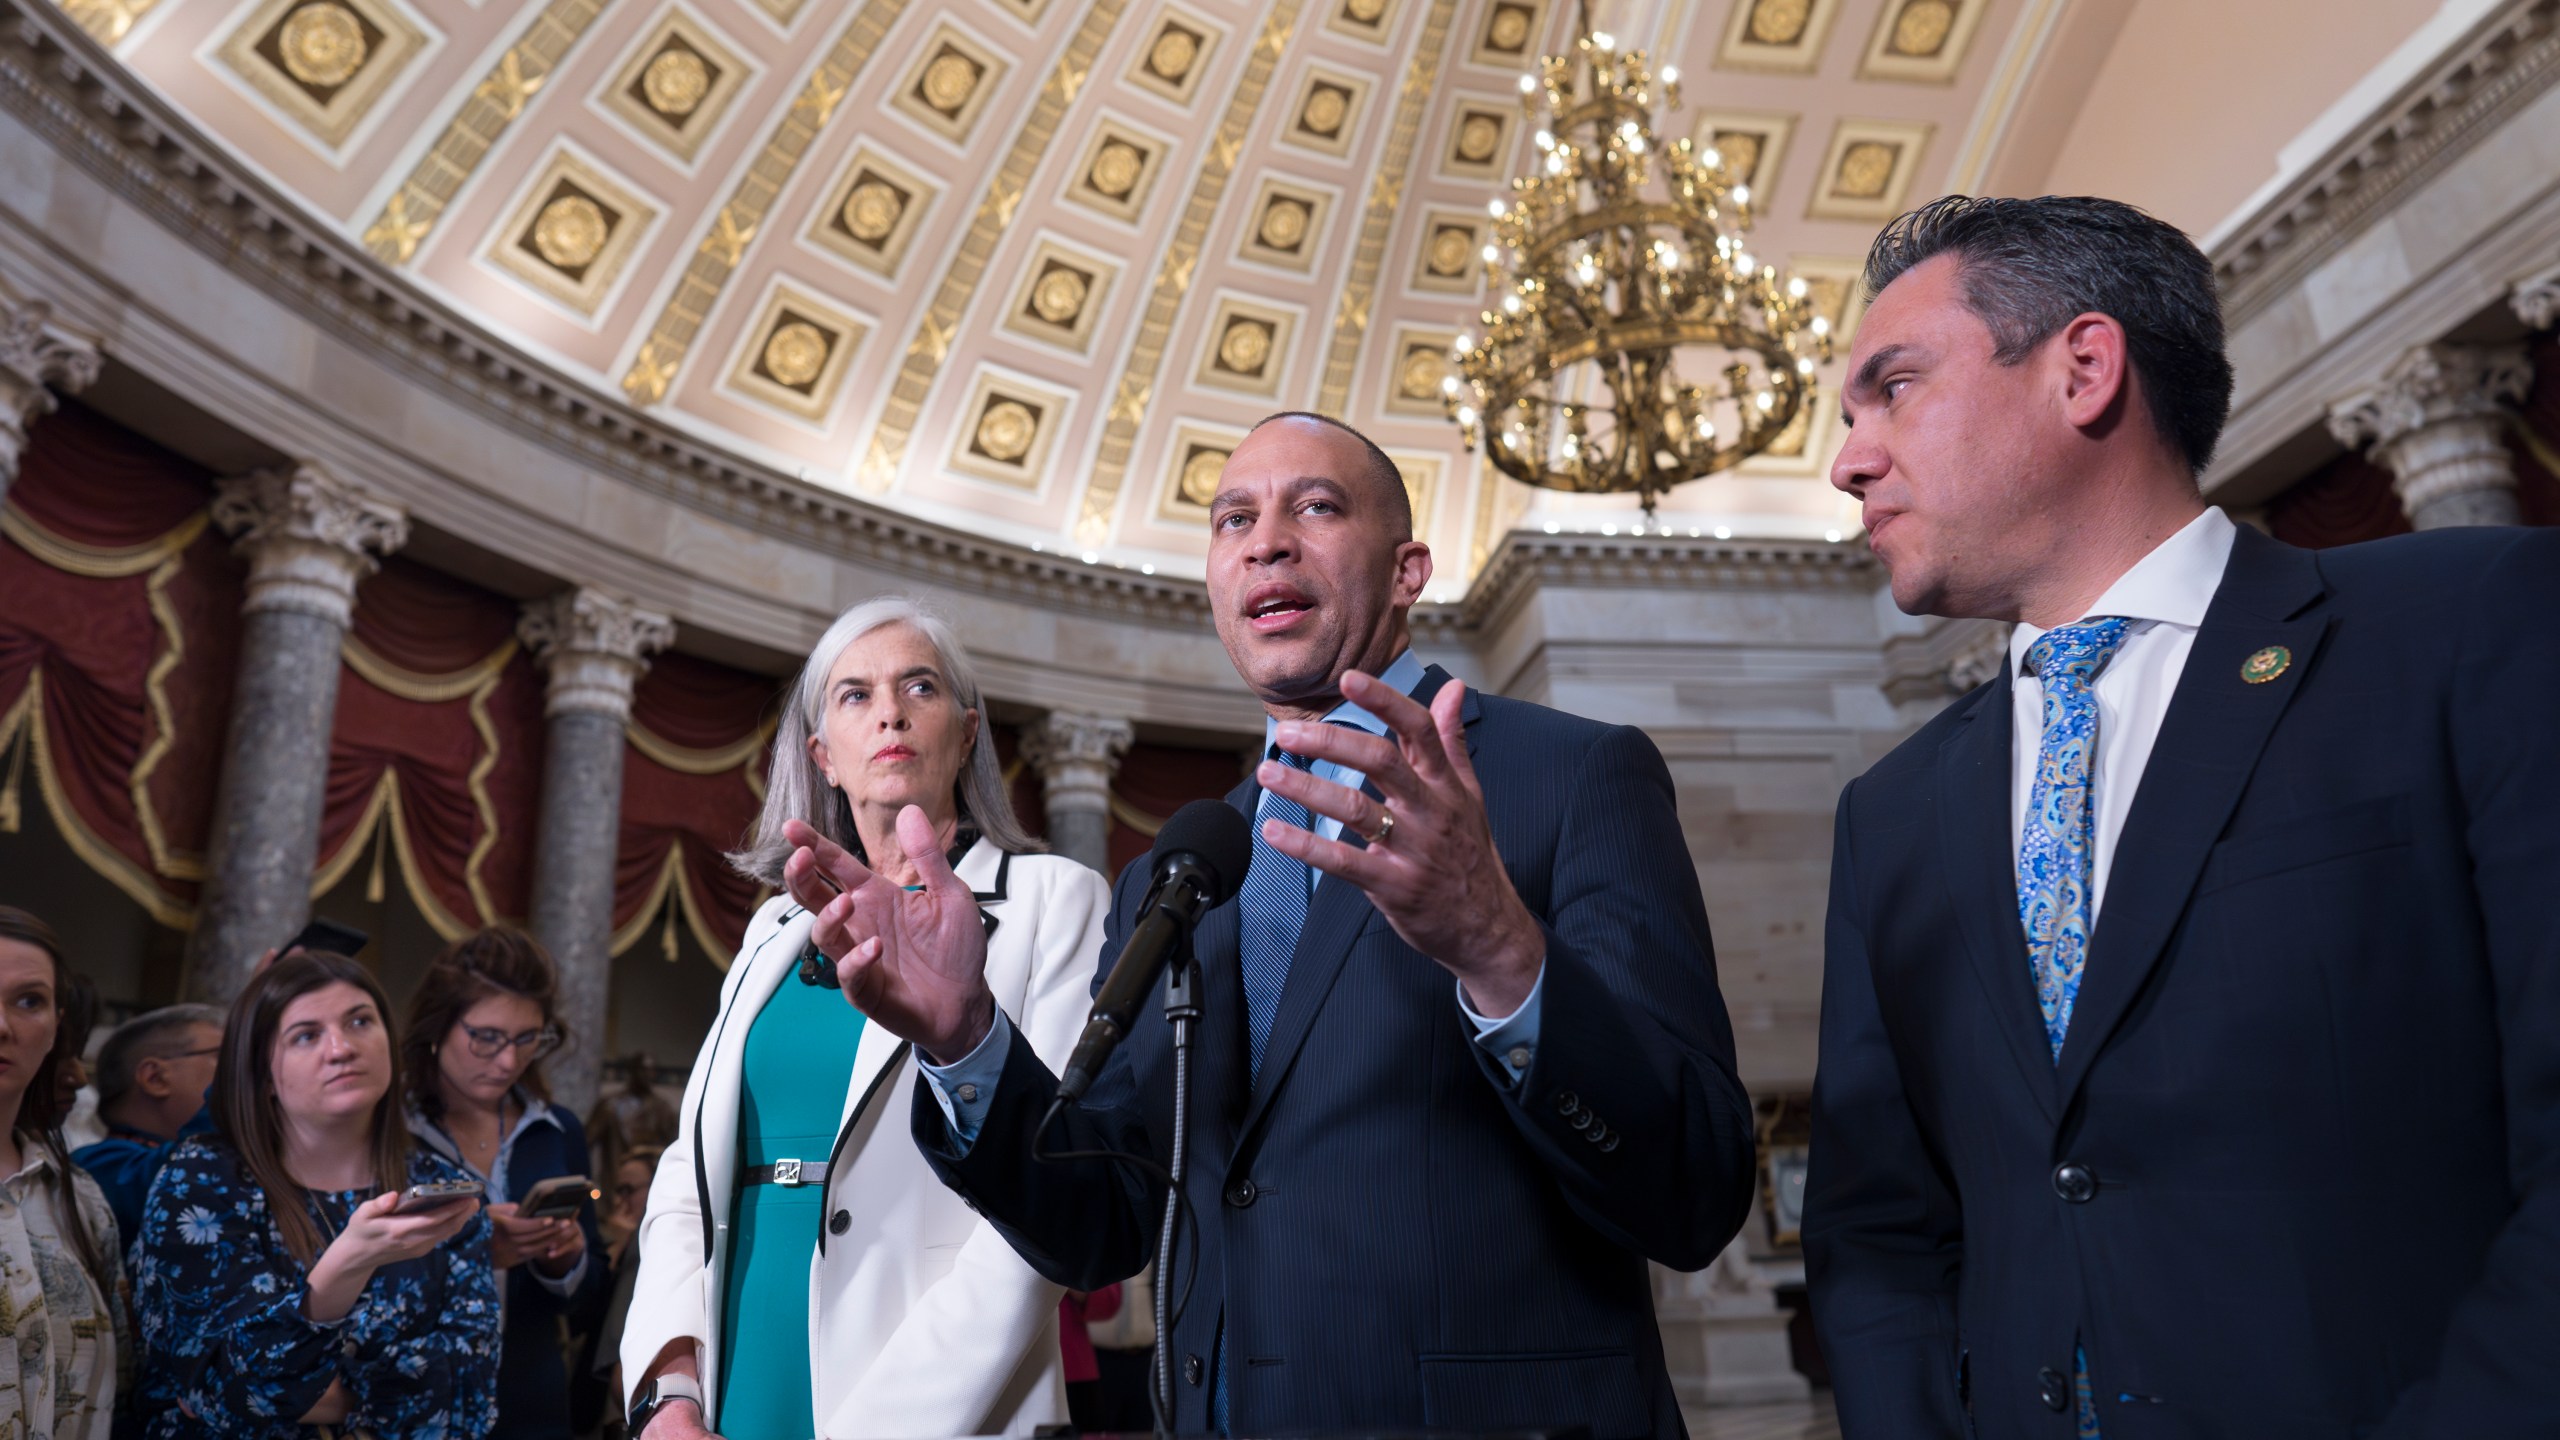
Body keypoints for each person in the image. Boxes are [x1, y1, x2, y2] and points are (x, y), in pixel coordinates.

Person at [784, 413, 1755, 1437]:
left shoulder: (1570, 776)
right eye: (1232, 518)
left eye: (1317, 507)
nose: (1266, 541)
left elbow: (1694, 1186)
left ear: (1406, 570)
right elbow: (1102, 1223)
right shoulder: (1178, 865)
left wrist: (1497, 949)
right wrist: (965, 1040)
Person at [1804, 194, 2560, 1438]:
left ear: (2083, 369)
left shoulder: (2468, 623)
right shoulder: (1891, 815)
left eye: (1892, 388)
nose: (1848, 459)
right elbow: (1877, 1232)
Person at [620, 597, 1105, 1440]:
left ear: (965, 734)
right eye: (854, 695)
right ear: (825, 758)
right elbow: (688, 1167)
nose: (889, 711)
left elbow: (1040, 1215)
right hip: (735, 1364)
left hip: (933, 1395)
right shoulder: (775, 928)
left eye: (920, 687)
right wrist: (670, 1387)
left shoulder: (1054, 902)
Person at [131, 949, 499, 1438]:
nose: (341, 1047)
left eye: (360, 1021)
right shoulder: (202, 1178)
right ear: (263, 1074)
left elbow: (469, 1388)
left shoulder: (440, 1185)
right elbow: (226, 1391)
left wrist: (321, 1394)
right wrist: (348, 1262)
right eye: (306, 1036)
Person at [402, 929, 605, 1440]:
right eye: (487, 1038)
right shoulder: (391, 1132)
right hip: (413, 1398)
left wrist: (566, 1260)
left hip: (529, 1398)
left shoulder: (556, 1129)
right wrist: (472, 1248)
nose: (509, 1061)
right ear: (437, 1027)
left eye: (526, 1039)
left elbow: (590, 1291)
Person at [0, 908, 129, 1440]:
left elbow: (124, 1384)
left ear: (57, 1027)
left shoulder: (80, 1199)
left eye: (28, 1001)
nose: (2, 1026)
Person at [74, 1002, 224, 1246]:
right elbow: (183, 1175)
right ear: (155, 1078)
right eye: (226, 1057)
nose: (240, 1069)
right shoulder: (96, 1166)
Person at [588, 1052, 675, 1181]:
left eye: (651, 1070)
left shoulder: (662, 1108)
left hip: (651, 1179)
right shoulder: (610, 1105)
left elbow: (674, 1146)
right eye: (643, 1069)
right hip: (616, 1177)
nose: (647, 1075)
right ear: (632, 1071)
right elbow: (587, 1141)